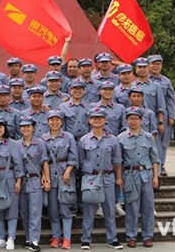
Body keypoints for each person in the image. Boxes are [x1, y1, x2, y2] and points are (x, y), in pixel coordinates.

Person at [78, 108, 123, 250]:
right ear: (90, 120)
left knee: (109, 209)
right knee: (89, 210)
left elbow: (117, 161)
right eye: (94, 118)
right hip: (91, 178)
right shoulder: (84, 140)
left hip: (108, 177)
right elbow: (80, 160)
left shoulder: (113, 139)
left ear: (105, 120)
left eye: (100, 118)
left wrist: (119, 178)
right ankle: (86, 239)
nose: (97, 120)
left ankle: (112, 239)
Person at [118, 107, 160, 248]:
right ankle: (131, 236)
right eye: (131, 118)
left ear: (141, 120)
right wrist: (120, 177)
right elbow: (119, 161)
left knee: (148, 206)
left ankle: (147, 236)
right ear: (127, 120)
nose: (133, 121)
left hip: (146, 174)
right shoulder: (121, 138)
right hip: (130, 175)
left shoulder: (148, 137)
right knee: (131, 207)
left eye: (136, 118)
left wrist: (156, 177)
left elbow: (154, 158)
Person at [41, 110, 78, 250]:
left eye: (57, 120)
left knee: (65, 207)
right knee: (53, 209)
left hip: (65, 174)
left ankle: (67, 238)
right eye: (52, 120)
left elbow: (74, 157)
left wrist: (68, 171)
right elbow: (42, 159)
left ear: (62, 121)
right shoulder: (43, 138)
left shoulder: (68, 137)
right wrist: (45, 178)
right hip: (50, 173)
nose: (54, 122)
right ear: (48, 121)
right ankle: (56, 236)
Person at [0, 116, 23, 251]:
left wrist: (19, 180)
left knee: (12, 209)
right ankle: (1, 237)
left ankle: (11, 237)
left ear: (5, 128)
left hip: (9, 178)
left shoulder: (12, 143)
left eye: (0, 126)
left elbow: (18, 163)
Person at [16, 116, 50, 252]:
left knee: (35, 211)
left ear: (33, 128)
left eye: (28, 126)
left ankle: (34, 239)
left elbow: (44, 162)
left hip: (36, 180)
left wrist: (47, 179)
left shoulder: (40, 143)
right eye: (23, 127)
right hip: (22, 180)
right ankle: (28, 238)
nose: (26, 129)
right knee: (24, 211)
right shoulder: (17, 144)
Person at [147, 55, 175, 177]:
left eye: (158, 64)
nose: (156, 66)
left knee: (163, 143)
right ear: (148, 65)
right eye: (153, 63)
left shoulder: (166, 81)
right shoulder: (143, 80)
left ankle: (162, 165)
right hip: (146, 117)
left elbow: (171, 99)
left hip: (163, 116)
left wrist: (172, 116)